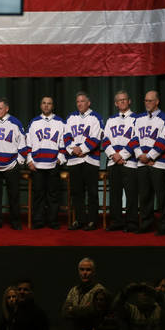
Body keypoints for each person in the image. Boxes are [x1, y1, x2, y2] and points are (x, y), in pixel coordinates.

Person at [0, 98, 27, 230]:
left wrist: (19, 161)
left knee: (14, 195)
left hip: (11, 165)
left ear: (6, 109)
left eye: (0, 108)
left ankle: (15, 222)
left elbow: (23, 145)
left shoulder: (15, 123)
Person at [134, 90, 165, 235]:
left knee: (161, 196)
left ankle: (163, 226)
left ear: (157, 102)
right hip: (142, 163)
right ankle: (146, 224)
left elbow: (164, 141)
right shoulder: (138, 119)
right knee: (144, 196)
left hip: (158, 163)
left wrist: (150, 156)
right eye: (145, 100)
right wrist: (140, 156)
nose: (147, 103)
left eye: (150, 101)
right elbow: (134, 139)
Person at [63, 92, 103, 231]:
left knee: (92, 192)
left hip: (90, 160)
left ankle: (92, 221)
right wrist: (74, 150)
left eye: (82, 101)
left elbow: (95, 138)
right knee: (76, 192)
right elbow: (66, 136)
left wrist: (81, 149)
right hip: (74, 161)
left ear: (88, 102)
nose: (79, 104)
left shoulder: (96, 118)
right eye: (77, 101)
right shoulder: (70, 117)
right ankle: (79, 220)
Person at [26, 96, 65, 229]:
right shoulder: (34, 122)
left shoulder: (60, 122)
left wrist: (60, 159)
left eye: (49, 103)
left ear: (52, 106)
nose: (46, 106)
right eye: (44, 103)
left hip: (53, 163)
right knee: (38, 194)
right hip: (37, 164)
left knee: (53, 194)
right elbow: (28, 144)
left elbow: (64, 143)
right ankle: (38, 220)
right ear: (41, 105)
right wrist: (29, 160)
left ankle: (53, 220)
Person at [103, 90, 139, 232]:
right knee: (115, 194)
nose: (122, 102)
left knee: (131, 194)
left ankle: (132, 223)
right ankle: (117, 221)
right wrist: (114, 155)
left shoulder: (137, 119)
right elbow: (105, 140)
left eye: (124, 99)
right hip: (113, 162)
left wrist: (122, 155)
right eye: (119, 100)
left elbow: (136, 139)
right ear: (115, 103)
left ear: (129, 101)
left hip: (129, 162)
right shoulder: (110, 120)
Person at [61, 257, 107, 330]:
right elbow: (64, 312)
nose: (84, 273)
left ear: (94, 272)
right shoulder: (74, 290)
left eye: (88, 270)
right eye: (82, 269)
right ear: (78, 271)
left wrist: (72, 309)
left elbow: (94, 312)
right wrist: (84, 310)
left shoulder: (100, 291)